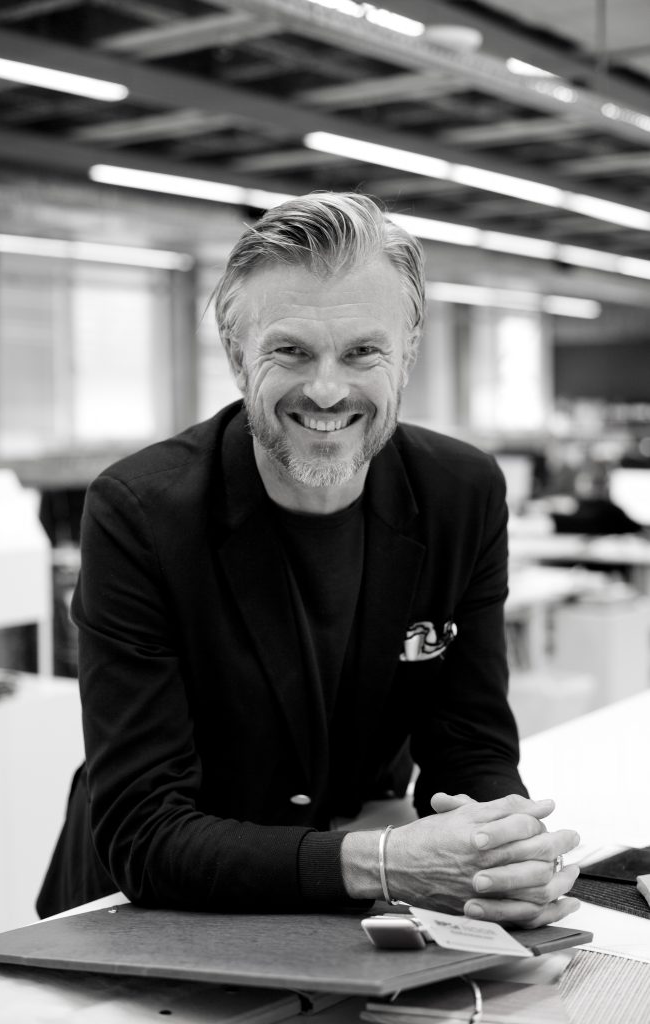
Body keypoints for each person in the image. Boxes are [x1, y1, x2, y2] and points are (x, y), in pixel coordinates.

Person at [37, 192, 580, 925]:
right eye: (290, 351)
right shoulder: (139, 512)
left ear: (408, 352)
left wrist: (500, 854)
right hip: (149, 903)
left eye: (362, 352)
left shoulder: (461, 492)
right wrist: (382, 862)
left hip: (346, 880)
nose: (327, 390)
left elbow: (469, 742)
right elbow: (144, 830)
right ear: (237, 355)